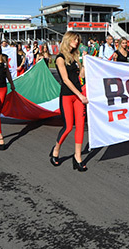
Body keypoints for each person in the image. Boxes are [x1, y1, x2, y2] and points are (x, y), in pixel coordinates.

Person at [50, 32, 89, 171]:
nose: (77, 42)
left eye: (78, 40)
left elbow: (81, 77)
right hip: (67, 96)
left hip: (78, 97)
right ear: (67, 40)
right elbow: (65, 80)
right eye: (74, 39)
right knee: (67, 127)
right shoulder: (60, 58)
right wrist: (80, 95)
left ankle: (77, 157)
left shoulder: (75, 57)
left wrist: (83, 63)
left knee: (80, 127)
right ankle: (56, 150)